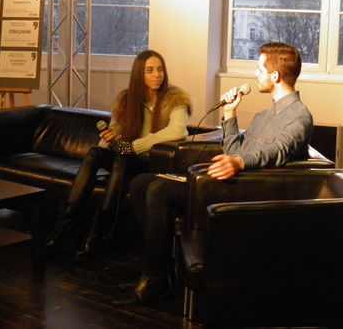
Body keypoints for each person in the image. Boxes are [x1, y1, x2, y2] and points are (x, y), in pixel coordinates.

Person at [116, 42, 313, 306]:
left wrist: (239, 162)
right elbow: (234, 149)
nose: (255, 75)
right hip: (232, 180)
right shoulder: (263, 115)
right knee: (140, 183)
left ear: (275, 75)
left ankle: (154, 279)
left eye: (259, 69)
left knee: (159, 190)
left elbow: (277, 151)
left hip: (248, 191)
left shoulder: (299, 116)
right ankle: (162, 268)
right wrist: (230, 114)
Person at [45, 49, 192, 257]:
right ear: (139, 74)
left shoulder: (176, 99)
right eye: (150, 70)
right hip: (127, 156)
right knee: (95, 153)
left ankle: (99, 233)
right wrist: (109, 140)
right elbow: (115, 131)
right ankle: (66, 224)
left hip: (153, 163)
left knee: (121, 160)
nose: (157, 75)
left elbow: (177, 131)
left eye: (160, 70)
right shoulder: (127, 99)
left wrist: (134, 147)